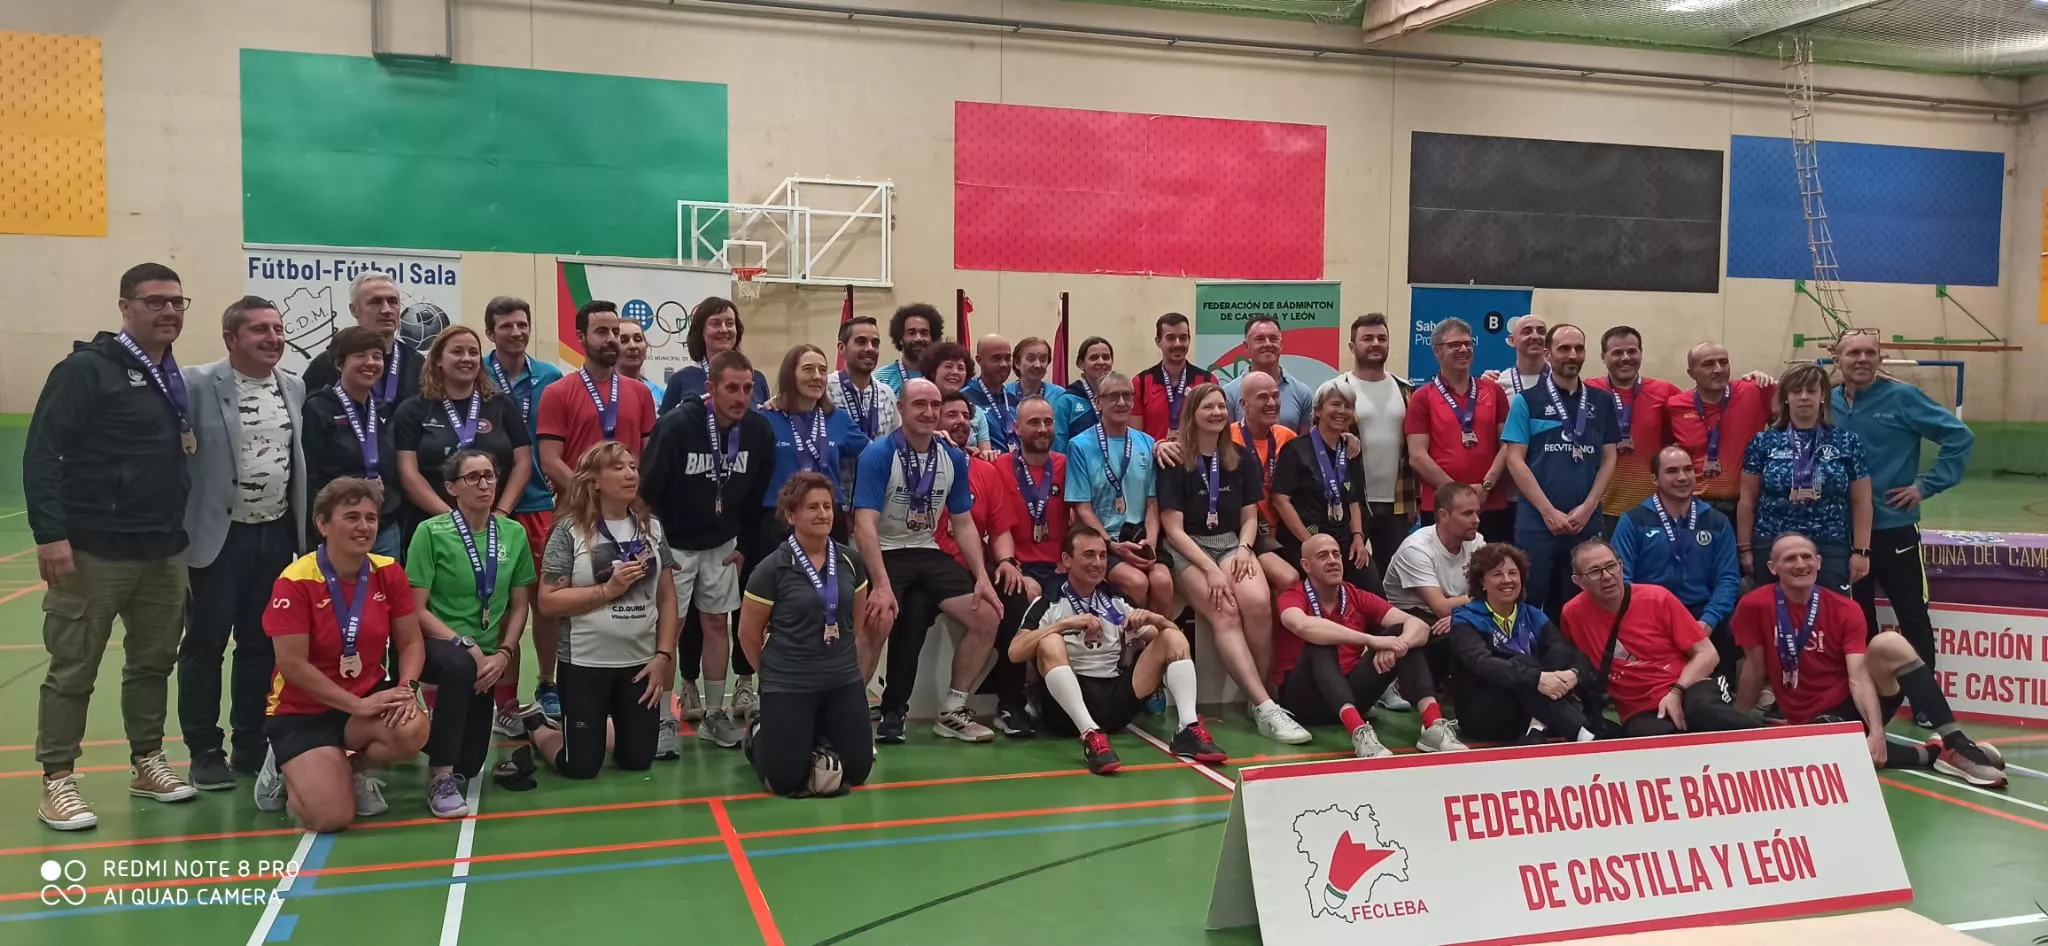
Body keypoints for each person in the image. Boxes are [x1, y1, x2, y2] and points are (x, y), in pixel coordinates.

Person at [27, 262, 202, 829]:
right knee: (73, 667)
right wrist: (51, 534)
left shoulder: (171, 375)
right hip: (92, 551)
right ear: (125, 307)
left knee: (153, 663)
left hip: (162, 551)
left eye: (177, 302)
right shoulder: (85, 371)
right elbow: (43, 454)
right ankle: (58, 779)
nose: (169, 311)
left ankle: (146, 761)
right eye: (155, 302)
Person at [1733, 534, 2005, 788]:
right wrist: (1737, 727)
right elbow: (1754, 668)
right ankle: (1934, 752)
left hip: (1856, 702)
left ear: (1819, 562)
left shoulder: (1845, 608)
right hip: (1811, 720)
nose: (1800, 564)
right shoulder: (1754, 606)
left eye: (1806, 556)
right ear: (1772, 567)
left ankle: (1956, 743)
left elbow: (1858, 675)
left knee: (1888, 643)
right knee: (1819, 746)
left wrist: (1875, 731)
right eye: (1789, 559)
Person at [179, 296, 309, 790]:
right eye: (260, 330)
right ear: (231, 338)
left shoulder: (293, 387)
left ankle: (251, 743)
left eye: (277, 329)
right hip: (216, 540)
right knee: (205, 645)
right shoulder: (195, 384)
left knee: (261, 645)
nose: (274, 338)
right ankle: (203, 749)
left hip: (274, 537)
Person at [254, 478, 430, 831]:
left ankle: (356, 770)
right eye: (351, 517)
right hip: (302, 710)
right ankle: (284, 763)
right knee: (329, 818)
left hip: (363, 698)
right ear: (323, 524)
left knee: (413, 728)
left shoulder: (387, 571)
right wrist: (356, 706)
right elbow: (292, 665)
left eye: (371, 517)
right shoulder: (296, 580)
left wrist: (408, 688)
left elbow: (410, 642)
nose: (364, 527)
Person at [1833, 328, 1975, 726]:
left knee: (1912, 615)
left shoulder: (1903, 398)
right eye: (1853, 353)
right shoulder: (1826, 402)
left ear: (1880, 358)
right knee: (1857, 619)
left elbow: (1959, 437)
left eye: (1870, 353)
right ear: (1837, 359)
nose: (1861, 359)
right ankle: (1868, 700)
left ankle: (1926, 702)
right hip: (1842, 535)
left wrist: (1925, 486)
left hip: (1895, 530)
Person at [852, 378, 1004, 744]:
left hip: (926, 550)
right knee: (879, 618)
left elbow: (963, 522)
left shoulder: (952, 457)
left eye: (935, 405)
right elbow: (864, 525)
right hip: (886, 552)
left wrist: (981, 576)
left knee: (987, 613)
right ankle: (850, 716)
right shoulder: (879, 454)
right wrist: (882, 585)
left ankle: (952, 710)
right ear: (901, 409)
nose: (929, 412)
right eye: (919, 404)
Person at [641, 349, 776, 751]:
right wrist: (659, 551)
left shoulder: (758, 431)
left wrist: (746, 547)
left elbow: (756, 500)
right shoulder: (676, 427)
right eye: (731, 388)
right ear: (710, 388)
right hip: (675, 546)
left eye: (748, 388)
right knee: (672, 627)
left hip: (723, 546)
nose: (740, 397)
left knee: (718, 624)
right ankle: (664, 716)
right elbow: (646, 497)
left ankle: (715, 713)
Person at [536, 300, 662, 727]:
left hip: (627, 515)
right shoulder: (558, 392)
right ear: (581, 338)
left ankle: (627, 675)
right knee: (561, 595)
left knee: (633, 590)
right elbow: (549, 457)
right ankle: (548, 680)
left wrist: (621, 493)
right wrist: (589, 491)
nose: (611, 340)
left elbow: (641, 454)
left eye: (616, 332)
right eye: (602, 332)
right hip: (574, 512)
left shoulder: (640, 393)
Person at [1009, 527, 1225, 775]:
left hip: (1116, 702)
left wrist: (1157, 619)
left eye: (1102, 555)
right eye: (1088, 555)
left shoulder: (1116, 602)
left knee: (1171, 636)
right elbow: (1015, 652)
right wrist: (1062, 626)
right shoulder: (1049, 602)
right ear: (1067, 560)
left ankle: (1187, 728)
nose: (1098, 563)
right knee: (1049, 641)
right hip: (1066, 714)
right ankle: (1090, 735)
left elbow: (1174, 642)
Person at [1155, 383, 1300, 741]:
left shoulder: (1239, 456)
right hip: (1188, 549)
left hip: (1233, 544)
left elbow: (1250, 517)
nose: (1217, 413)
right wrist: (1209, 569)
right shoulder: (1175, 459)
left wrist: (1246, 551)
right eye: (1209, 407)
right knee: (1225, 611)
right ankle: (1266, 707)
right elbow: (1172, 531)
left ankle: (1261, 695)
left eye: (1222, 406)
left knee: (1257, 602)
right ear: (1193, 414)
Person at [529, 442, 680, 778]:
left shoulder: (652, 528)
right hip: (585, 662)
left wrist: (663, 656)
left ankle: (601, 728)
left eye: (632, 467)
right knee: (581, 766)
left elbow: (668, 599)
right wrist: (607, 590)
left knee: (638, 760)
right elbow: (548, 602)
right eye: (617, 468)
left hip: (639, 664)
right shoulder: (568, 531)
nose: (630, 474)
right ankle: (538, 727)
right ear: (594, 480)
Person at [405, 451, 537, 817]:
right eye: (473, 478)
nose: (485, 484)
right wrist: (463, 643)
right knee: (461, 666)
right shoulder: (430, 533)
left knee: (471, 762)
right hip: (433, 646)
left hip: (485, 657)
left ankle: (429, 746)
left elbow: (520, 605)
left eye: (490, 476)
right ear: (451, 488)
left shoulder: (513, 533)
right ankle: (440, 779)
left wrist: (504, 654)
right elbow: (415, 610)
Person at [739, 474, 877, 797]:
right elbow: (747, 634)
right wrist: (773, 674)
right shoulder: (771, 569)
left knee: (857, 772)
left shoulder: (850, 561)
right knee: (785, 783)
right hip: (789, 681)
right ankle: (759, 732)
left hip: (840, 679)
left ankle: (813, 732)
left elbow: (855, 623)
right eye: (812, 507)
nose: (823, 514)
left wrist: (834, 656)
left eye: (828, 507)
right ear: (791, 515)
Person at [1275, 534, 1466, 757]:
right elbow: (1301, 625)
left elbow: (1419, 627)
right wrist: (1371, 640)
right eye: (1322, 555)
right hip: (1305, 698)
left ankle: (1433, 726)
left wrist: (1398, 644)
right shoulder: (1293, 595)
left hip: (1352, 693)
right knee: (1321, 640)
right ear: (1306, 565)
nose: (1333, 560)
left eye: (1336, 554)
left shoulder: (1356, 595)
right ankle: (1359, 733)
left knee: (1401, 632)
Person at [1558, 540, 1761, 737]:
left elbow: (1708, 654)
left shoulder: (1657, 598)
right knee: (1652, 735)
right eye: (1594, 572)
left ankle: (1770, 744)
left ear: (1621, 566)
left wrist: (1676, 692)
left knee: (1704, 711)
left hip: (1689, 684)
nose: (1607, 576)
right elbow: (1577, 663)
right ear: (1578, 581)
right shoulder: (1572, 614)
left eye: (1611, 566)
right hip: (1638, 707)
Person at [483, 296, 565, 725]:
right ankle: (505, 700)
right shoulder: (477, 374)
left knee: (544, 604)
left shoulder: (550, 377)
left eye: (521, 324)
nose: (516, 332)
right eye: (506, 326)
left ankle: (548, 683)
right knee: (499, 605)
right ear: (490, 332)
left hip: (538, 507)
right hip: (490, 509)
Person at [1502, 324, 1620, 619]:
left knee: (1582, 603)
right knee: (1530, 600)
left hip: (1586, 521)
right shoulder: (1526, 401)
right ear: (1547, 354)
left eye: (1578, 349)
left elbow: (1609, 458)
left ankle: (1578, 662)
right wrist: (1547, 511)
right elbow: (1515, 460)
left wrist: (1589, 506)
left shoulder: (1602, 401)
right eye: (1564, 348)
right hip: (1538, 522)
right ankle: (1529, 662)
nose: (1572, 355)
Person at [934, 392, 1033, 735]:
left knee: (1017, 599)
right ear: (935, 421)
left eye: (965, 415)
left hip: (973, 569)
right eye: (951, 415)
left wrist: (1006, 561)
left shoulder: (984, 471)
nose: (960, 421)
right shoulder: (920, 463)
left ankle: (1010, 704)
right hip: (930, 567)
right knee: (911, 614)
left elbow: (1000, 528)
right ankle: (893, 709)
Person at [1739, 362, 1871, 598]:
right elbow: (1747, 500)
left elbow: (1862, 501)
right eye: (1796, 391)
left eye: (1811, 391)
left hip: (1829, 544)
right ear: (1786, 397)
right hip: (1772, 542)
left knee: (1831, 617)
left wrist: (1861, 551)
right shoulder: (1762, 442)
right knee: (1774, 616)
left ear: (1823, 396)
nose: (1804, 397)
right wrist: (1745, 549)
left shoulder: (1847, 442)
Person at [1445, 542, 1597, 745]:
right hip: (1487, 708)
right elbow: (1481, 663)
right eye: (1497, 574)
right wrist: (1537, 679)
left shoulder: (1532, 615)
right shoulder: (1465, 618)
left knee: (1560, 654)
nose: (1507, 580)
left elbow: (1568, 654)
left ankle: (1537, 727)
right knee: (1524, 663)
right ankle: (1576, 727)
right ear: (1482, 581)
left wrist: (1573, 675)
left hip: (1532, 707)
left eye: (1513, 573)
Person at [1613, 447, 1743, 682]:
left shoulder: (1717, 522)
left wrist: (1707, 622)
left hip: (1701, 616)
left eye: (1688, 470)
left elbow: (1727, 578)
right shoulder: (1632, 521)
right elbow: (1622, 578)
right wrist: (1642, 620)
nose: (1682, 477)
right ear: (1655, 479)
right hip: (1650, 618)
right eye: (1672, 471)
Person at [393, 325, 532, 540]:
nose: (466, 358)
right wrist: (452, 520)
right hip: (435, 527)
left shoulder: (502, 404)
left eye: (473, 352)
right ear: (438, 359)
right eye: (457, 352)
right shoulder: (413, 409)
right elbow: (408, 473)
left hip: (495, 525)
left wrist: (501, 514)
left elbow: (523, 462)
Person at [1062, 371, 1174, 614]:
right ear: (1098, 402)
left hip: (1141, 538)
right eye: (1113, 396)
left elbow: (1152, 502)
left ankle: (1160, 645)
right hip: (1103, 542)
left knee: (1162, 582)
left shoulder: (1146, 442)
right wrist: (1112, 545)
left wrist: (1150, 544)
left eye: (1127, 396)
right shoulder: (1079, 445)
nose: (1121, 402)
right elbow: (1082, 507)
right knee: (1137, 583)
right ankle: (1128, 648)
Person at [1405, 318, 1513, 540]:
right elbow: (1417, 456)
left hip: (1489, 503)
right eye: (1454, 345)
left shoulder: (1493, 391)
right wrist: (1458, 495)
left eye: (1468, 343)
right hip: (1441, 505)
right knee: (1444, 572)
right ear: (1437, 351)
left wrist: (1486, 486)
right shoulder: (1422, 397)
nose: (1463, 349)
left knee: (1491, 570)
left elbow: (1508, 444)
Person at [302, 327, 406, 557]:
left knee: (381, 591)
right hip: (339, 525)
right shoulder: (318, 408)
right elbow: (311, 475)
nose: (370, 362)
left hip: (383, 523)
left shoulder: (382, 409)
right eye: (360, 355)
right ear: (339, 363)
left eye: (377, 356)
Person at [1331, 313, 1417, 579]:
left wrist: (1416, 499)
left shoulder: (1407, 390)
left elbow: (1414, 449)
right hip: (1350, 502)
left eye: (1382, 338)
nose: (1375, 343)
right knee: (1348, 575)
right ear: (1352, 346)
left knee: (1394, 578)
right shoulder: (1335, 389)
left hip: (1397, 503)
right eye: (1367, 338)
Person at [1271, 381, 1377, 593]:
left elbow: (1354, 499)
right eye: (1335, 404)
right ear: (1318, 410)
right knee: (1318, 596)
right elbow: (1280, 501)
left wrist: (1358, 537)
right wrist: (1309, 543)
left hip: (1343, 541)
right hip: (1302, 539)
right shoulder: (1295, 449)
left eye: (1348, 406)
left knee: (1372, 590)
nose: (1342, 411)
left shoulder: (1351, 450)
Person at [762, 344, 872, 539]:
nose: (817, 376)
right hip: (781, 519)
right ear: (790, 374)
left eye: (822, 370)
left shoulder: (838, 419)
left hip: (829, 517)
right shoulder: (767, 418)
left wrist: (928, 435)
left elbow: (874, 454)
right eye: (808, 369)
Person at [1586, 326, 1681, 536]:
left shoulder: (1666, 392)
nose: (1625, 358)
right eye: (1617, 353)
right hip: (1598, 507)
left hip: (1651, 508)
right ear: (1603, 357)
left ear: (1641, 353)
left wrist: (1754, 378)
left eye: (1632, 351)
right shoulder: (1587, 392)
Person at [1666, 342, 1775, 520]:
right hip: (1694, 504)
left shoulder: (1755, 391)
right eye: (1708, 364)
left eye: (1723, 362)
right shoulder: (1676, 405)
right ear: (1691, 373)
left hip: (1746, 503)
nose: (1718, 369)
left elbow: (1791, 418)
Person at [300, 271, 425, 407]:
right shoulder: (328, 363)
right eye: (375, 302)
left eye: (392, 301)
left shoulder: (418, 364)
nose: (386, 310)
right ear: (354, 310)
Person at [1229, 371, 1305, 591]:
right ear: (1244, 404)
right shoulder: (1226, 438)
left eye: (1275, 395)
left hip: (1282, 533)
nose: (1272, 403)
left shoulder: (1288, 437)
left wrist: (1347, 440)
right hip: (1243, 533)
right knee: (1286, 579)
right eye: (1263, 397)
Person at [1385, 483, 1485, 626]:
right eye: (1468, 513)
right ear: (1443, 515)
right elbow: (1442, 609)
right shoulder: (1416, 549)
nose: (1476, 520)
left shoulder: (1476, 542)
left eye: (1477, 512)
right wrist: (1484, 597)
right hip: (1412, 621)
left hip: (1456, 616)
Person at [661, 297, 770, 411]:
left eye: (730, 323)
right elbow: (663, 426)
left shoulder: (757, 378)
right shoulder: (680, 379)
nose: (724, 329)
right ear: (700, 331)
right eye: (715, 323)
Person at [1133, 313, 1217, 440]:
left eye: (1183, 338)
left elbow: (1214, 429)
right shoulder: (1141, 383)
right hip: (1154, 458)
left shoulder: (1207, 381)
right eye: (1171, 338)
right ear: (1158, 342)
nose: (1178, 344)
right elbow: (1136, 438)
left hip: (1195, 458)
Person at [1222, 316, 1314, 432]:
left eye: (1273, 338)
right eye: (1260, 339)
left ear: (1281, 345)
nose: (1267, 344)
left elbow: (1304, 444)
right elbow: (1226, 442)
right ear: (1246, 346)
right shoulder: (1229, 393)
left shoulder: (1302, 393)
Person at [830, 315, 902, 446]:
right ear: (842, 348)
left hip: (877, 466)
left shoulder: (887, 394)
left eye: (875, 343)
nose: (870, 348)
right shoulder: (824, 389)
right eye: (861, 341)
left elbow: (897, 442)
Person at [920, 342, 993, 450]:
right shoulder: (918, 406)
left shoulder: (976, 412)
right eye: (948, 366)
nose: (955, 372)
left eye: (960, 368)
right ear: (932, 372)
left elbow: (986, 452)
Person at [1007, 335, 1074, 451]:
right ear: (1017, 363)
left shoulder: (1060, 396)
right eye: (1031, 358)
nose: (1037, 365)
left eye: (1043, 359)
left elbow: (1062, 437)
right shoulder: (1004, 393)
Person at [964, 334, 1020, 452]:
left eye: (1007, 358)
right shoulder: (965, 399)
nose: (1004, 364)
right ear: (979, 360)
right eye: (996, 358)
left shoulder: (1016, 401)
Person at [874, 302, 941, 395]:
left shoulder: (942, 376)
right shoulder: (880, 380)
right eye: (911, 333)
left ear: (932, 338)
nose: (918, 338)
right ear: (900, 338)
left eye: (924, 333)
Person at [1061, 336, 1118, 438]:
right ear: (1080, 364)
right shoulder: (1067, 400)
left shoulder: (1120, 397)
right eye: (1094, 357)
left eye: (1106, 357)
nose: (1101, 362)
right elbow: (1058, 444)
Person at [618, 320, 666, 406]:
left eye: (638, 339)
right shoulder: (601, 393)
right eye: (624, 340)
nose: (633, 346)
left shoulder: (660, 395)